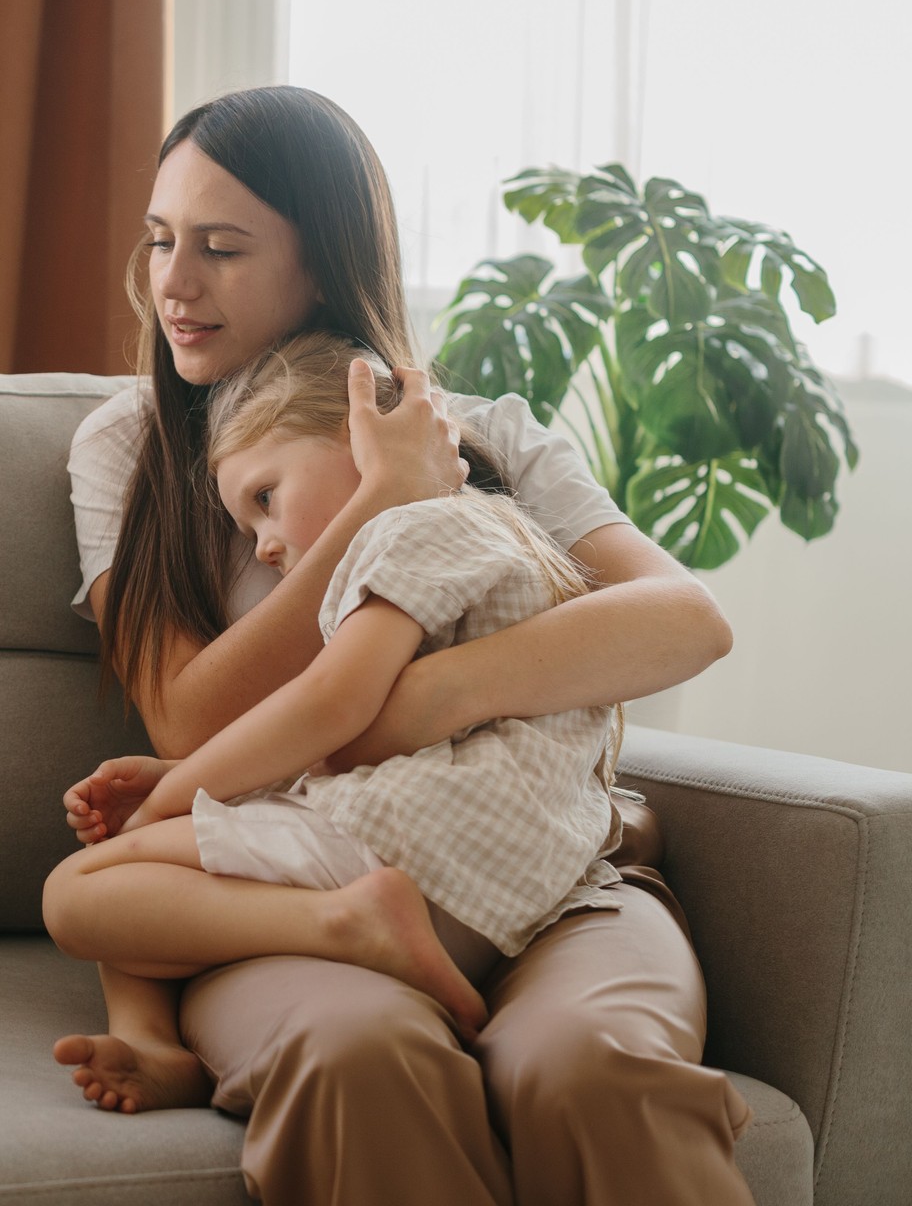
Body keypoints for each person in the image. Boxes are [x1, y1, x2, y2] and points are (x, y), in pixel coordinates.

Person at [52, 85, 754, 1206]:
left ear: (325, 265)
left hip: (550, 872)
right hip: (317, 886)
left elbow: (685, 619)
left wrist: (421, 701)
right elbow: (186, 715)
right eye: (161, 240)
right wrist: (382, 504)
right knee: (361, 1056)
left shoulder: (491, 434)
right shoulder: (128, 449)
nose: (173, 283)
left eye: (222, 248)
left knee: (592, 1064)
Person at [47, 331, 632, 1069]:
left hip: (436, 852)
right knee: (140, 874)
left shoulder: (416, 530)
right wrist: (179, 783)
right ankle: (153, 1045)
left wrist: (175, 800)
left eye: (266, 499)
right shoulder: (476, 533)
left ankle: (347, 923)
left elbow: (332, 704)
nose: (261, 545)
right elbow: (348, 735)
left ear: (358, 440)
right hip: (482, 858)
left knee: (81, 890)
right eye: (248, 524)